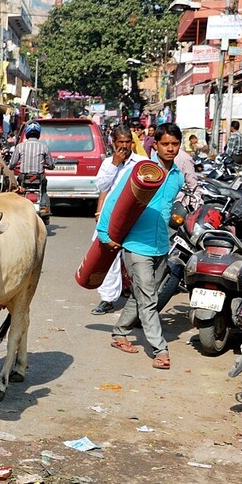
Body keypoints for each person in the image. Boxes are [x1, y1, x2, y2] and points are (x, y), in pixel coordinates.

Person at [97, 123, 185, 370]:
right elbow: (114, 199)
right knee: (148, 299)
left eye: (175, 144)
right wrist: (104, 233)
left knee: (143, 295)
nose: (170, 149)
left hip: (161, 245)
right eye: (165, 144)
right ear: (154, 145)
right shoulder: (142, 170)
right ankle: (160, 349)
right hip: (136, 245)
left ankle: (120, 332)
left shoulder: (177, 175)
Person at [90, 126, 148, 316]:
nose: (124, 146)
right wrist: (115, 164)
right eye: (120, 142)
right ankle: (107, 299)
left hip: (135, 216)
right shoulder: (108, 163)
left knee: (135, 257)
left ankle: (139, 298)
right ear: (113, 143)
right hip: (111, 216)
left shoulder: (141, 162)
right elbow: (101, 186)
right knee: (107, 256)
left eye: (127, 142)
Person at [9, 121, 54, 208]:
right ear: (38, 134)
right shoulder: (44, 146)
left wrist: (11, 167)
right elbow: (51, 165)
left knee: (18, 188)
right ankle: (45, 207)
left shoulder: (20, 146)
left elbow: (12, 164)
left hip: (23, 177)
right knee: (44, 188)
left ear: (26, 134)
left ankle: (18, 206)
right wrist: (50, 166)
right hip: (39, 177)